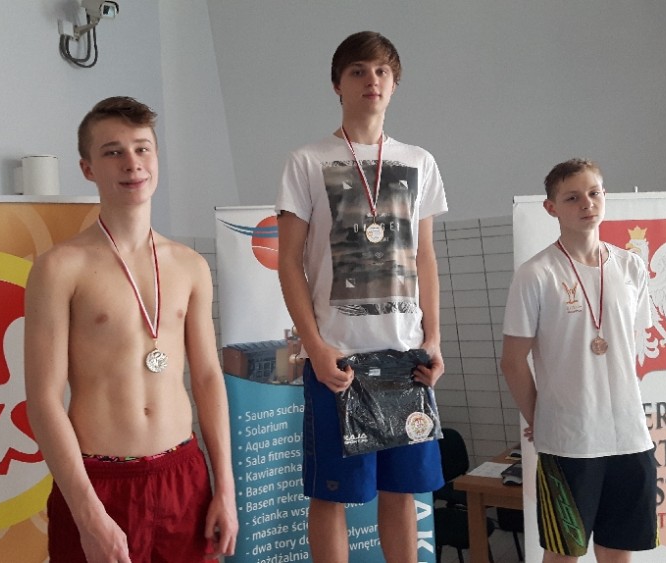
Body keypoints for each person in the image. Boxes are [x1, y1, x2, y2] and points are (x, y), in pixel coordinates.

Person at [24, 96, 238, 563]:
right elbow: (42, 400)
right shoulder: (60, 267)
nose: (132, 163)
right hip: (100, 482)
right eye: (112, 151)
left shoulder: (190, 266)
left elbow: (207, 379)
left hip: (184, 475)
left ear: (156, 158)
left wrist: (225, 487)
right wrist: (89, 515)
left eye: (142, 148)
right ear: (87, 168)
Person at [275, 31, 448, 563]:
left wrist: (434, 339)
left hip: (405, 357)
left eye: (381, 71)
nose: (371, 80)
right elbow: (289, 261)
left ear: (394, 85)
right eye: (358, 71)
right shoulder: (307, 160)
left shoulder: (419, 160)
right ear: (337, 84)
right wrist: (315, 346)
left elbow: (424, 257)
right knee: (332, 496)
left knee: (402, 493)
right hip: (340, 357)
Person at [500, 158, 659, 563]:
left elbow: (629, 346)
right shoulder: (536, 273)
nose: (587, 204)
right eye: (572, 198)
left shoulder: (630, 266)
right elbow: (513, 361)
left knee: (618, 549)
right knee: (563, 553)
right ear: (551, 208)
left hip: (629, 436)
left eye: (594, 193)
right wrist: (540, 418)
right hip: (569, 440)